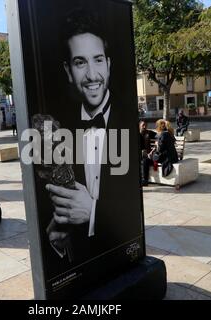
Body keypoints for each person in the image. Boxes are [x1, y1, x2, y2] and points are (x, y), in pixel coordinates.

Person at [41, 9, 142, 274]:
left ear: (108, 64)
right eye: (80, 62)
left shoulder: (129, 122)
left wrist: (93, 211)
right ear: (68, 71)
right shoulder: (59, 131)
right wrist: (59, 239)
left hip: (123, 257)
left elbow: (133, 201)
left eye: (97, 60)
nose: (92, 75)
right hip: (81, 266)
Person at [139, 120, 156, 186]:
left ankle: (145, 180)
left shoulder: (149, 133)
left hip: (149, 156)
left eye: (145, 125)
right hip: (140, 155)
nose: (144, 127)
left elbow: (159, 136)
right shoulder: (137, 135)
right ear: (139, 126)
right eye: (143, 125)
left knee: (145, 161)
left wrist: (157, 142)